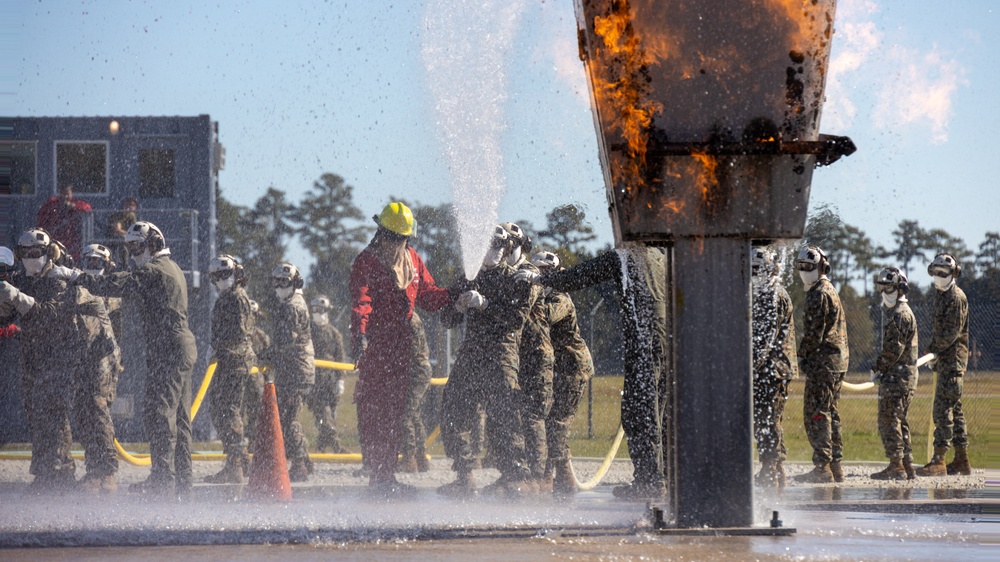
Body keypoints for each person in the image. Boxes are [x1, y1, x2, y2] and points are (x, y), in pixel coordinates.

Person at [516, 244, 668, 500]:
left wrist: (541, 280)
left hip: (645, 336)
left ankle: (650, 481)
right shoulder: (661, 256)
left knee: (640, 411)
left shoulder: (627, 254)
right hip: (663, 336)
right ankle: (659, 478)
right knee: (657, 409)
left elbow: (583, 274)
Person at [70, 221, 197, 498]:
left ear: (153, 244)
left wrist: (78, 276)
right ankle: (183, 481)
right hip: (179, 346)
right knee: (180, 418)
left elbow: (120, 283)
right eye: (129, 248)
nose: (133, 252)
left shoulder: (154, 270)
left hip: (169, 348)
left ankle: (163, 480)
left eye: (137, 246)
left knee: (159, 412)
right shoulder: (172, 267)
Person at [350, 202, 451, 496]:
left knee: (395, 413)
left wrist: (457, 291)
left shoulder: (413, 260)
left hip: (403, 347)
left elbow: (429, 297)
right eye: (394, 238)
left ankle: (386, 475)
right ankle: (378, 474)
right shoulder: (366, 263)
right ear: (382, 234)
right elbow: (362, 301)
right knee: (374, 411)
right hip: (378, 346)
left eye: (404, 239)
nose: (399, 244)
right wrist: (360, 335)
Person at [438, 224, 536, 498]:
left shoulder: (514, 278)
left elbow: (516, 320)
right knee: (453, 411)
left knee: (503, 417)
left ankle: (515, 476)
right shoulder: (470, 277)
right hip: (472, 354)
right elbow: (446, 320)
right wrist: (458, 306)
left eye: (496, 245)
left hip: (501, 354)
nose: (491, 251)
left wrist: (485, 305)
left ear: (505, 249)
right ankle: (465, 473)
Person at [2, 230, 82, 491]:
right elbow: (7, 317)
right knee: (35, 414)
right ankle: (44, 470)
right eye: (26, 253)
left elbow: (49, 314)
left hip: (57, 354)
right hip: (32, 356)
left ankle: (61, 470)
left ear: (48, 252)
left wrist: (15, 296)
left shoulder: (58, 278)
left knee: (54, 412)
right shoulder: (22, 279)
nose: (31, 258)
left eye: (36, 252)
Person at [531, 251, 594, 495]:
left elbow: (545, 318)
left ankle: (550, 475)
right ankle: (565, 477)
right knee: (554, 419)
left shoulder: (560, 298)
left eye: (544, 273)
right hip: (561, 366)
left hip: (573, 367)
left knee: (557, 421)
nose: (540, 277)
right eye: (537, 272)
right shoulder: (547, 296)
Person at [501, 222, 554, 491]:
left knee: (534, 416)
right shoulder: (507, 274)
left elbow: (517, 319)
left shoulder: (528, 273)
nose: (501, 250)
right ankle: (515, 472)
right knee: (516, 414)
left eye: (506, 245)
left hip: (536, 354)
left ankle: (539, 476)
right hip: (520, 355)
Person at [792, 246, 849, 484]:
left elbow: (813, 334)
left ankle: (822, 466)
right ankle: (835, 465)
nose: (804, 271)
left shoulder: (818, 294)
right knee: (830, 412)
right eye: (801, 267)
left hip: (823, 363)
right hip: (835, 362)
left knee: (817, 414)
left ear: (821, 267)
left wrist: (801, 355)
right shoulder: (829, 289)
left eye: (809, 267)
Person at [916, 253, 972, 477]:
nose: (939, 277)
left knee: (943, 410)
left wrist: (933, 349)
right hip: (946, 359)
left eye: (943, 273)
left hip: (953, 362)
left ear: (953, 273)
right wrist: (933, 349)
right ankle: (961, 460)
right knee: (955, 410)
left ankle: (939, 459)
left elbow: (950, 333)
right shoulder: (942, 294)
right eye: (936, 273)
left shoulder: (956, 297)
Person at [259, 263, 315, 482]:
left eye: (284, 282)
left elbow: (285, 341)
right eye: (277, 282)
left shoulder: (291, 306)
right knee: (288, 416)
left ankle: (299, 463)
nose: (280, 286)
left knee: (288, 418)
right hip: (297, 369)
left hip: (296, 370)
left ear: (295, 283)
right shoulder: (296, 303)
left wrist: (265, 355)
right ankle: (305, 461)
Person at [204, 255, 256, 484]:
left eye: (225, 274)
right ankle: (241, 460)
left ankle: (235, 464)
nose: (221, 280)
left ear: (235, 273)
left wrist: (218, 348)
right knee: (220, 408)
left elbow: (239, 334)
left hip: (233, 362)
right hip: (229, 360)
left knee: (228, 410)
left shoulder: (236, 298)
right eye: (217, 276)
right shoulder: (228, 297)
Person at [750, 247, 798, 488]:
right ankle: (774, 467)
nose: (753, 274)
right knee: (767, 418)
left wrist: (748, 367)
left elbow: (766, 338)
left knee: (768, 418)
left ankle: (772, 467)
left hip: (773, 369)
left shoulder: (773, 295)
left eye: (757, 269)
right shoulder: (766, 292)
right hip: (770, 368)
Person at [869, 267, 918, 481]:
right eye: (881, 287)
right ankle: (907, 464)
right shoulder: (901, 313)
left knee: (889, 420)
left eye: (888, 287)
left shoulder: (899, 315)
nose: (884, 292)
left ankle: (896, 465)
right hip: (903, 378)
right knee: (900, 419)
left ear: (900, 289)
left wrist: (877, 367)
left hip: (897, 379)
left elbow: (892, 350)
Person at [307, 294, 349, 454]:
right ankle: (336, 446)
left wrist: (340, 380)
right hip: (315, 382)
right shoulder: (308, 332)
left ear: (327, 311)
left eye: (321, 309)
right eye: (315, 309)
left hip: (330, 381)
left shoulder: (334, 333)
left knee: (331, 414)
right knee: (323, 413)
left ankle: (322, 445)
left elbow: (340, 357)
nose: (318, 312)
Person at [397, 311, 433, 473]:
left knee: (406, 413)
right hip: (418, 370)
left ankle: (409, 457)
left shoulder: (409, 317)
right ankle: (421, 457)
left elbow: (411, 349)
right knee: (415, 414)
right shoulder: (410, 316)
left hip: (416, 370)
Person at [36, 183, 92, 261]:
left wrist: (73, 206)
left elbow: (88, 208)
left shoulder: (76, 203)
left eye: (67, 193)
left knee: (72, 259)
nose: (65, 196)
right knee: (56, 257)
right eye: (63, 193)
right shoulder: (52, 204)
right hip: (56, 237)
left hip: (72, 238)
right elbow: (42, 216)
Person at [242, 300, 268, 453]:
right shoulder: (239, 335)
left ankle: (254, 446)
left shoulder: (262, 337)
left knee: (256, 416)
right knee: (238, 415)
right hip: (240, 382)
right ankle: (241, 451)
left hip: (256, 385)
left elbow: (268, 361)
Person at [105, 197, 139, 267]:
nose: (129, 207)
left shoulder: (132, 216)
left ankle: (135, 264)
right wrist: (127, 233)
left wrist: (129, 234)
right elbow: (117, 230)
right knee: (123, 240)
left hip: (128, 239)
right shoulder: (118, 215)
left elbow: (134, 230)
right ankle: (123, 264)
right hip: (113, 238)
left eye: (132, 205)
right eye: (128, 204)